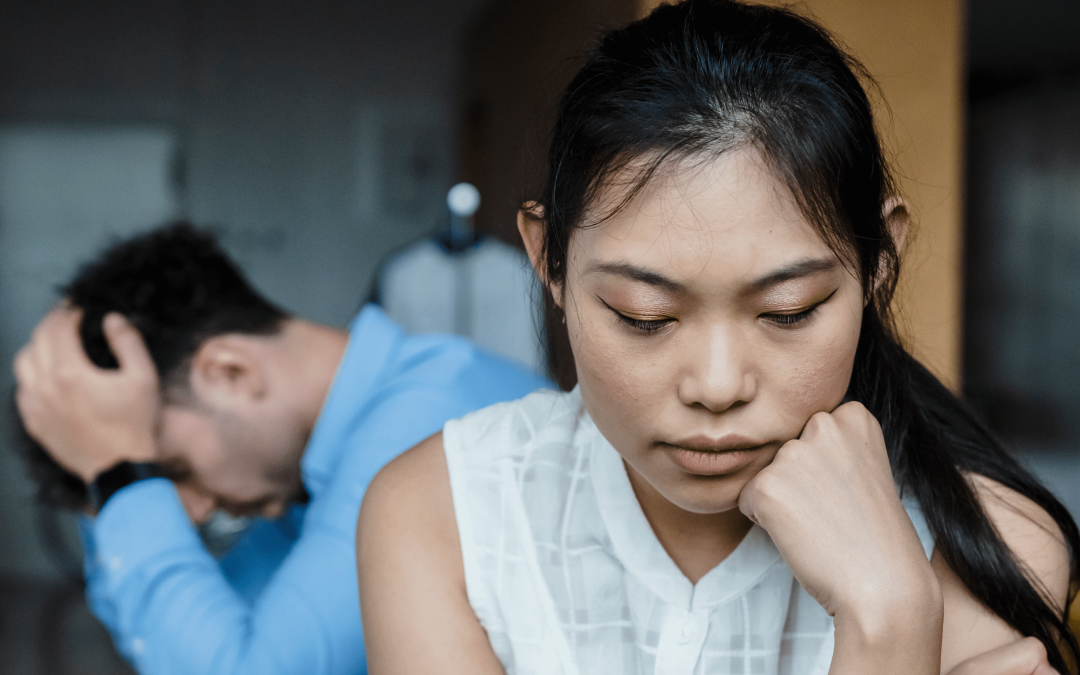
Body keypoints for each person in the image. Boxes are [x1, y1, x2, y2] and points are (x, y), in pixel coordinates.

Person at [356, 1, 1080, 674]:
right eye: (645, 315)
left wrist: (886, 608)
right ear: (548, 259)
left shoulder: (998, 546)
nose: (717, 384)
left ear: (878, 265)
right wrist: (894, 637)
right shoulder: (446, 512)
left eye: (789, 310)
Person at [13, 222, 550, 674]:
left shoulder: (427, 421)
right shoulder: (304, 477)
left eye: (171, 471)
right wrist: (102, 478)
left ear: (230, 373)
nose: (187, 516)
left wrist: (120, 473)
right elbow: (181, 642)